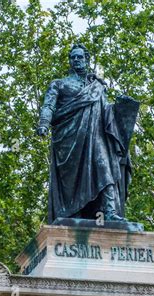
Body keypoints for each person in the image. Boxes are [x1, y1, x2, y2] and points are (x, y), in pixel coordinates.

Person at [37, 43, 139, 223]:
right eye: (73, 57)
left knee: (104, 167)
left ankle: (109, 212)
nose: (76, 60)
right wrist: (44, 123)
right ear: (70, 61)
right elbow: (48, 106)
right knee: (73, 181)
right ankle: (71, 213)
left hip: (96, 136)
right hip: (70, 138)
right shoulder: (59, 84)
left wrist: (122, 111)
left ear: (87, 60)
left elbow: (105, 111)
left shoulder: (97, 86)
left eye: (80, 57)